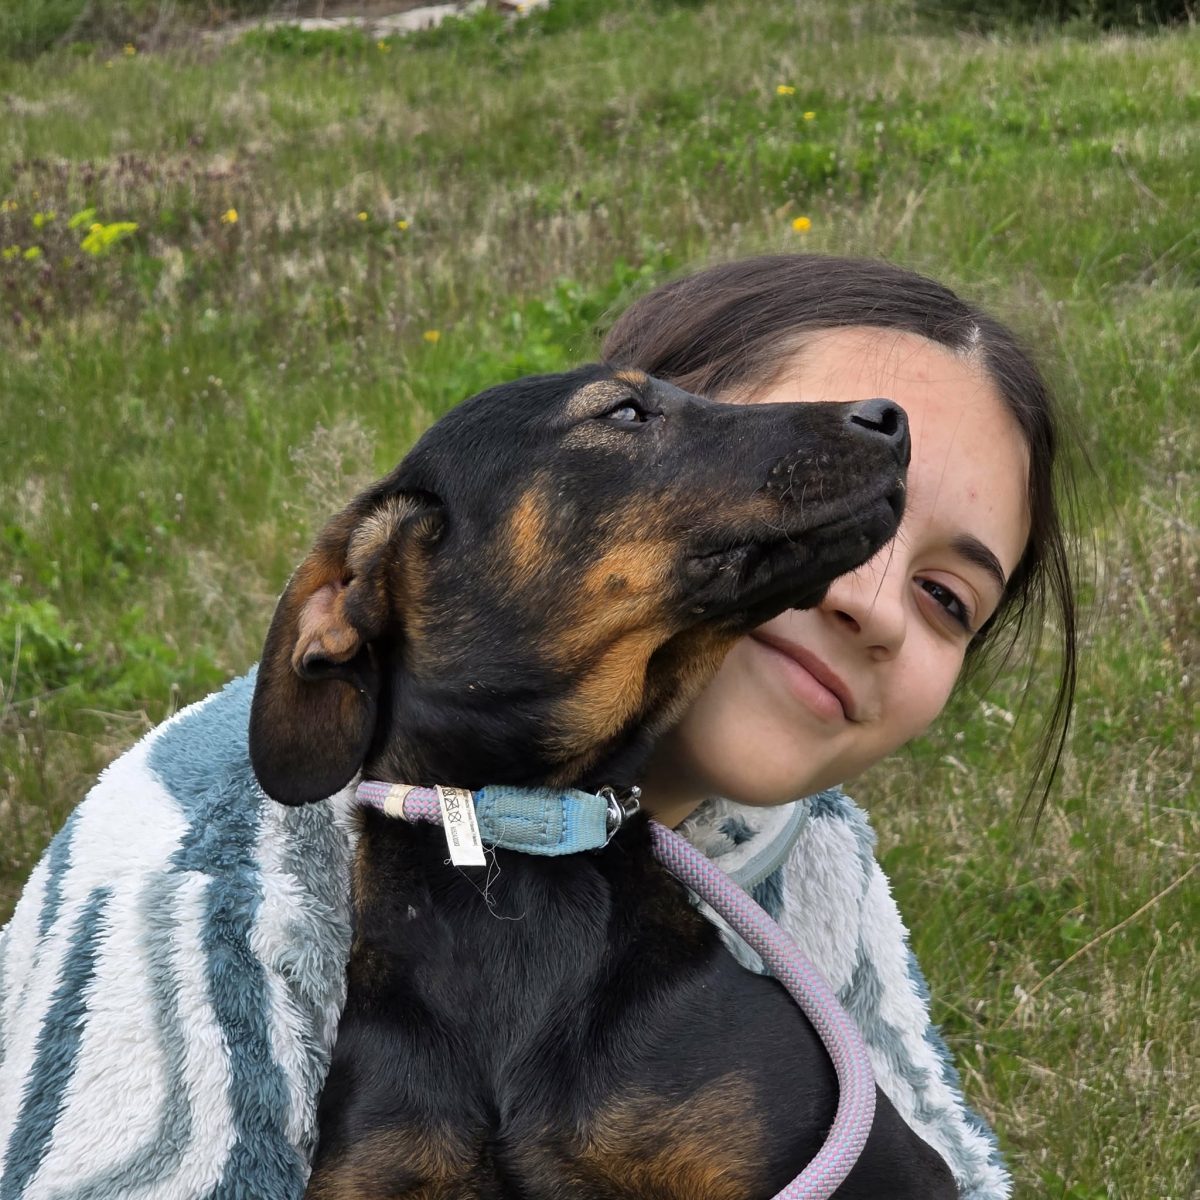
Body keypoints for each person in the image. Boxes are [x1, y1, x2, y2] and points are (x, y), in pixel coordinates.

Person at [0, 254, 1076, 1200]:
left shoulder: (799, 899)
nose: (873, 604)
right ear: (379, 586)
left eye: (950, 600)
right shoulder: (192, 887)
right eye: (633, 418)